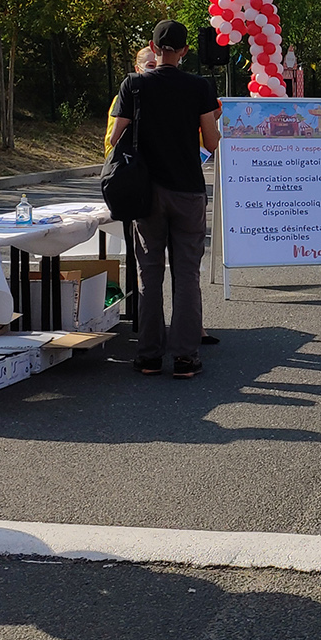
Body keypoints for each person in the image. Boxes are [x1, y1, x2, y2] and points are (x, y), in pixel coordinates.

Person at [108, 21, 221, 379]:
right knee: (187, 273)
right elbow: (212, 142)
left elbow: (114, 137)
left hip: (146, 192)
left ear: (153, 48)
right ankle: (186, 357)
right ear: (185, 50)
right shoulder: (199, 86)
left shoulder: (134, 84)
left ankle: (149, 355)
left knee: (149, 272)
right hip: (187, 189)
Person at [105, 45, 160, 154]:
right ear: (137, 69)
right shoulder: (126, 98)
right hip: (137, 164)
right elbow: (112, 142)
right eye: (151, 65)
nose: (155, 70)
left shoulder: (171, 96)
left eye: (159, 66)